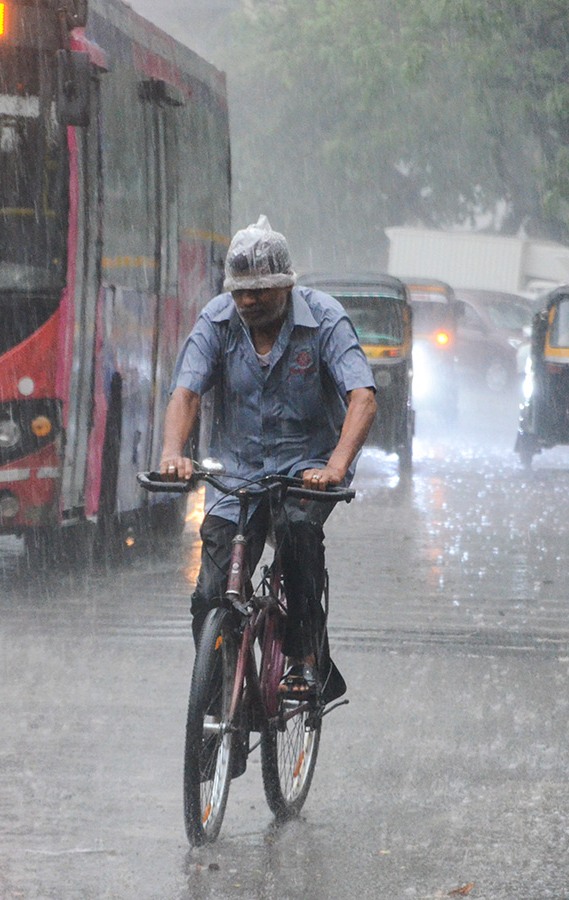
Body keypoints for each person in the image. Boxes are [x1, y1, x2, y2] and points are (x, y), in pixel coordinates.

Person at [158, 215, 377, 702]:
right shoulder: (216, 321)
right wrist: (173, 453)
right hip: (236, 472)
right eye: (240, 292)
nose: (249, 301)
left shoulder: (325, 319)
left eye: (260, 291)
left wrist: (336, 468)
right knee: (210, 596)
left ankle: (305, 657)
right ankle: (221, 710)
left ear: (287, 286)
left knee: (298, 532)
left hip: (308, 469)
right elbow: (187, 393)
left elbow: (362, 398)